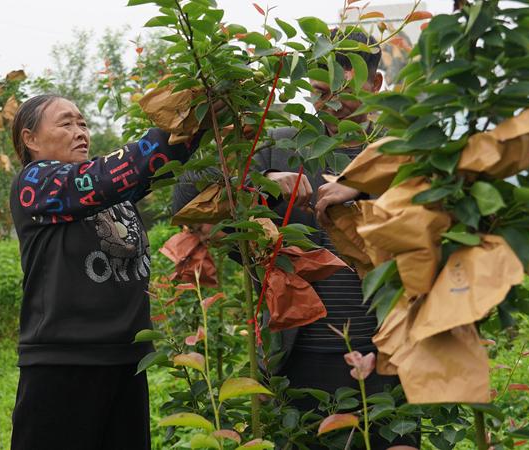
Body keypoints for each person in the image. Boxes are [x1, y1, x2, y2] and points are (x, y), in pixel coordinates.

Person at [173, 31, 418, 449]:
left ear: (376, 85)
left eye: (343, 89)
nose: (330, 102)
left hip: (387, 355)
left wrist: (361, 185)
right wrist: (261, 180)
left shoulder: (400, 153)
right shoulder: (283, 146)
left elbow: (439, 228)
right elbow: (185, 192)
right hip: (296, 359)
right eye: (321, 91)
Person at [8, 94, 205, 450]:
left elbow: (156, 163)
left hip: (126, 359)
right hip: (64, 363)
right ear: (31, 139)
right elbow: (109, 174)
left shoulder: (109, 191)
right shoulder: (35, 183)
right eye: (66, 123)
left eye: (83, 123)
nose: (80, 131)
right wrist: (177, 116)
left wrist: (203, 111)